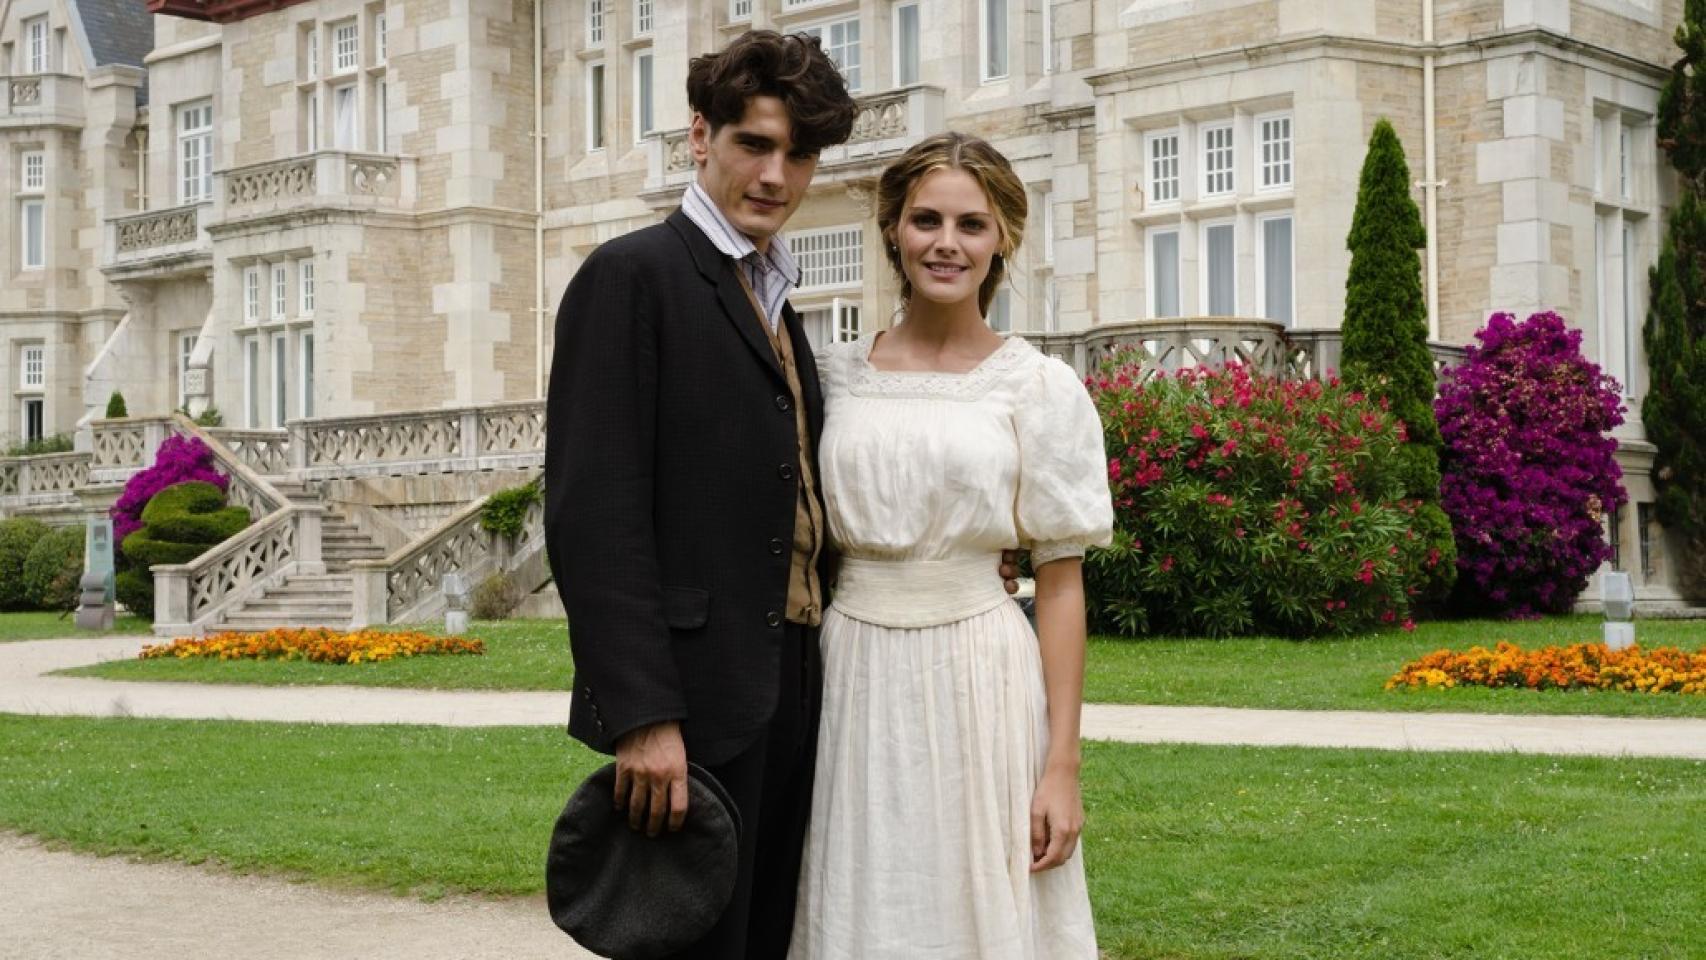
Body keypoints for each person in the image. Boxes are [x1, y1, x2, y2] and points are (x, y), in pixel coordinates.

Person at [543, 30, 856, 960]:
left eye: (798, 154)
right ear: (699, 136)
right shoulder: (632, 277)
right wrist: (643, 716)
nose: (777, 175)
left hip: (793, 683)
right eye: (755, 145)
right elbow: (592, 515)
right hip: (692, 700)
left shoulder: (776, 298)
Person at [789, 133, 1115, 959]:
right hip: (848, 675)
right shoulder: (831, 377)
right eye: (926, 219)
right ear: (894, 229)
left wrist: (1061, 766)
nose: (946, 241)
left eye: (971, 224)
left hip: (982, 676)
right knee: (857, 896)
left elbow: (1062, 579)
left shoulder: (1038, 387)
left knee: (976, 904)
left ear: (1001, 235)